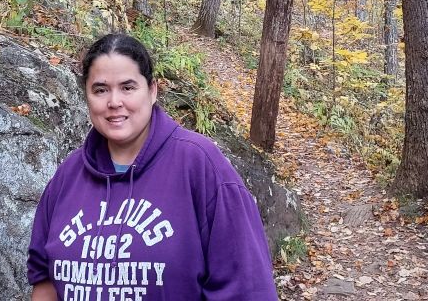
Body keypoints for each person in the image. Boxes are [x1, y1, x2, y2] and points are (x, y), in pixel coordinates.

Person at [27, 33, 278, 300]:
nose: (114, 102)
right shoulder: (69, 175)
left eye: (128, 87)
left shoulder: (200, 166)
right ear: (87, 96)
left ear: (152, 91)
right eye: (100, 90)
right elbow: (45, 282)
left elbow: (248, 287)